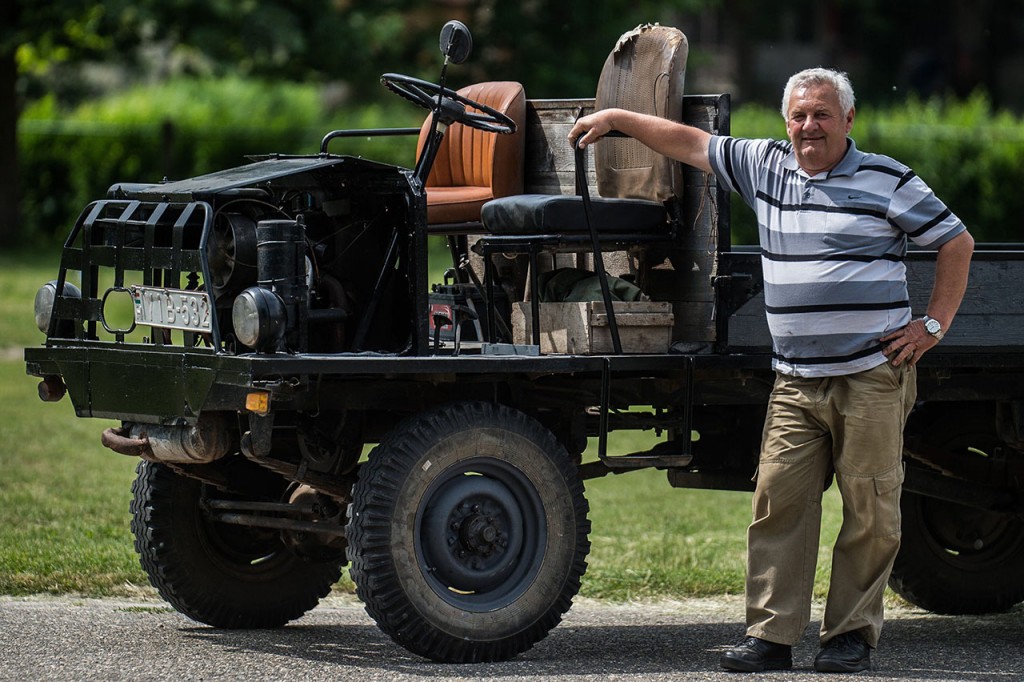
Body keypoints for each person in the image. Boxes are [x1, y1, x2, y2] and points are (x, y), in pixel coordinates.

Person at [569, 67, 974, 673]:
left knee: (870, 509)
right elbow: (688, 141)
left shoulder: (886, 178)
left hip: (871, 374)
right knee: (777, 504)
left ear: (847, 120)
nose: (809, 125)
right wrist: (619, 120)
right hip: (795, 379)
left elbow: (955, 241)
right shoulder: (766, 166)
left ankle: (849, 637)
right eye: (799, 115)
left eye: (822, 114)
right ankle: (771, 637)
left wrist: (933, 325)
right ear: (787, 122)